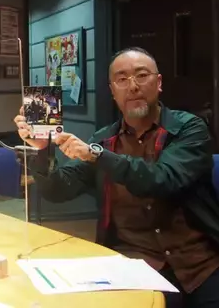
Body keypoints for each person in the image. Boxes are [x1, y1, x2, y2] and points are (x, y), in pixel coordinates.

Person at [15, 47, 219, 308]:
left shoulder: (189, 128)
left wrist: (97, 155)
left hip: (198, 264)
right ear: (113, 91)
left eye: (141, 75)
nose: (132, 86)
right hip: (132, 264)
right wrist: (42, 150)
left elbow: (162, 179)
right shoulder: (103, 140)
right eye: (122, 79)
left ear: (158, 83)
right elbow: (58, 190)